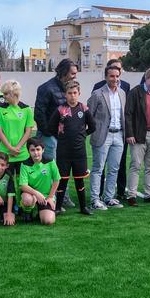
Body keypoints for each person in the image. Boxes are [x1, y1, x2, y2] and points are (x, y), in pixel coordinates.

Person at [48, 80, 95, 216]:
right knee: (62, 180)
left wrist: (83, 135)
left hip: (79, 152)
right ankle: (57, 208)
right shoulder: (60, 110)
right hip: (63, 152)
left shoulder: (84, 109)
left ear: (79, 94)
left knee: (79, 180)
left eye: (75, 93)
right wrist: (61, 137)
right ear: (65, 94)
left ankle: (83, 207)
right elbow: (51, 127)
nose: (72, 96)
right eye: (70, 93)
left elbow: (93, 126)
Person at [125, 68, 150, 205]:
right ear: (146, 79)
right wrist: (130, 133)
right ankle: (131, 195)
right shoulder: (135, 92)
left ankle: (149, 194)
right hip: (138, 135)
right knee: (135, 165)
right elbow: (128, 114)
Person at [88, 64, 127, 210]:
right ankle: (95, 199)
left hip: (119, 135)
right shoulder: (97, 94)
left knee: (114, 168)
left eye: (117, 76)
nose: (115, 79)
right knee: (98, 168)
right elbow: (89, 115)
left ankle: (109, 197)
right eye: (112, 76)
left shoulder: (122, 93)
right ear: (105, 77)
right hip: (102, 136)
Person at [36, 59, 77, 163]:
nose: (75, 76)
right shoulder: (46, 88)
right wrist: (49, 133)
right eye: (73, 73)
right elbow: (39, 114)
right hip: (49, 137)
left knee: (62, 170)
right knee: (50, 169)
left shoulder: (70, 89)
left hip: (64, 137)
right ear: (64, 72)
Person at [0, 80, 35, 176]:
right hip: (5, 153)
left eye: (6, 94)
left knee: (23, 183)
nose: (3, 96)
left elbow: (28, 131)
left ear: (14, 93)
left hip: (22, 153)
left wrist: (17, 148)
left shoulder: (27, 109)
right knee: (8, 184)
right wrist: (10, 148)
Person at [18, 138, 61, 225]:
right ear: (28, 151)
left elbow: (57, 180)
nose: (36, 153)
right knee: (27, 199)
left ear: (43, 150)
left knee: (48, 221)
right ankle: (27, 212)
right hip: (31, 195)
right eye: (32, 150)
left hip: (46, 196)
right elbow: (23, 186)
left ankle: (41, 211)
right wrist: (37, 194)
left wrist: (50, 197)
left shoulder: (50, 161)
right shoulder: (25, 164)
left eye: (38, 149)